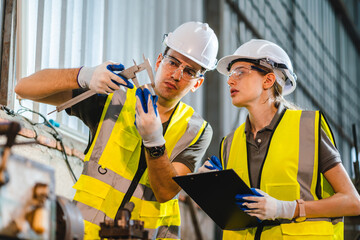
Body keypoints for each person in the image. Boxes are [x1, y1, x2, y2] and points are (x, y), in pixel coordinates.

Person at [15, 21, 219, 240]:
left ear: (197, 83)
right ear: (159, 61)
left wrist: (154, 142)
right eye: (173, 62)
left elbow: (165, 192)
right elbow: (24, 88)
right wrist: (83, 75)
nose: (177, 75)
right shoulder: (114, 100)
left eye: (189, 71)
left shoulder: (196, 130)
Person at [201, 39, 360, 239]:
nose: (230, 81)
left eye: (240, 72)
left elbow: (353, 202)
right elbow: (235, 213)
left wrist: (286, 209)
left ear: (268, 80)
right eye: (231, 74)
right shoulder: (230, 142)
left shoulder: (308, 128)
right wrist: (210, 188)